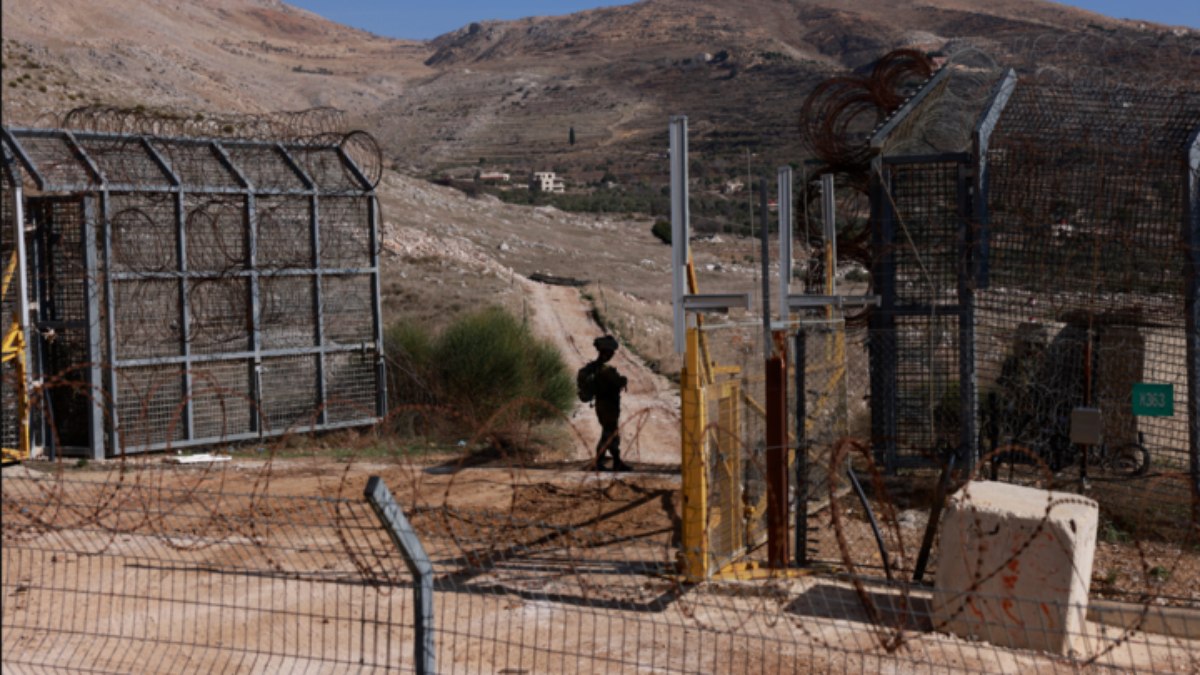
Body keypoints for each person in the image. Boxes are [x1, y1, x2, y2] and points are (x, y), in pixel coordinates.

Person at [585, 335, 631, 472]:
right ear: (606, 352)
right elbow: (619, 382)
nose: (612, 355)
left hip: (603, 404)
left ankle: (616, 461)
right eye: (611, 353)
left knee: (612, 433)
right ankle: (599, 461)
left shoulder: (594, 368)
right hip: (608, 405)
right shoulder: (606, 370)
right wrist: (623, 379)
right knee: (608, 433)